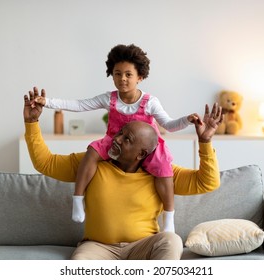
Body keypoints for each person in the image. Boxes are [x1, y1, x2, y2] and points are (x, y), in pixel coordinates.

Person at [24, 87, 223, 260]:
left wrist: (205, 143)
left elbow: (207, 183)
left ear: (142, 153)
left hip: (144, 247)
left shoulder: (162, 174)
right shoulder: (90, 164)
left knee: (171, 240)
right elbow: (45, 163)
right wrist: (32, 123)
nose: (117, 140)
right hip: (98, 248)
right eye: (120, 133)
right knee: (80, 263)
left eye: (127, 139)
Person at [32, 44, 202, 233]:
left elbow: (169, 125)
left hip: (146, 146)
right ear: (111, 75)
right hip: (115, 140)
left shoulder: (150, 102)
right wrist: (47, 102)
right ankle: (78, 199)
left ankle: (169, 217)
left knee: (164, 168)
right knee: (92, 151)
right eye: (117, 73)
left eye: (128, 74)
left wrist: (187, 120)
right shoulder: (109, 99)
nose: (122, 79)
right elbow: (79, 105)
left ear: (140, 77)